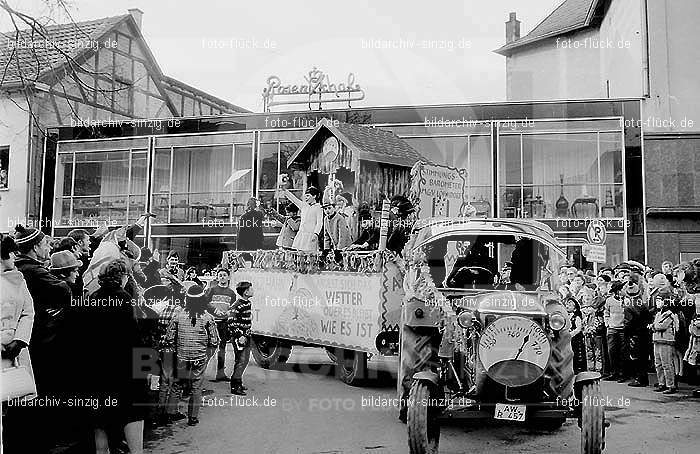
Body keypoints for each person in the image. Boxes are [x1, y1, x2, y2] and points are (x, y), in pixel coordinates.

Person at [83, 259, 147, 454]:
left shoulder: (92, 298)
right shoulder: (127, 300)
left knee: (100, 425)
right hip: (124, 372)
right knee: (133, 416)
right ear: (123, 277)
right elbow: (135, 339)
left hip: (97, 373)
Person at [12, 225, 71, 398]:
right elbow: (63, 289)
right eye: (45, 243)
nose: (49, 247)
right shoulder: (34, 271)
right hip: (40, 338)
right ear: (35, 247)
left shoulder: (20, 268)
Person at [164, 285, 219, 426]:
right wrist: (207, 355)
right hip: (199, 359)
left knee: (176, 385)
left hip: (181, 358)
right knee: (196, 388)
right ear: (203, 300)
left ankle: (170, 414)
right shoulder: (208, 318)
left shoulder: (178, 315)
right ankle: (192, 418)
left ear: (187, 299)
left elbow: (169, 338)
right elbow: (214, 341)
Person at [0, 234, 35, 452]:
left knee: (12, 412)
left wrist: (20, 340)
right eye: (10, 252)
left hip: (13, 353)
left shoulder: (17, 279)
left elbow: (28, 312)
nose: (15, 256)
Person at [205, 268, 237, 382]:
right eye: (220, 275)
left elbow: (233, 308)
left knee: (222, 349)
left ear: (228, 277)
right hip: (212, 323)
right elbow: (205, 303)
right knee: (209, 348)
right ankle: (199, 372)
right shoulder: (211, 290)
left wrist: (229, 316)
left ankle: (220, 373)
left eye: (224, 275)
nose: (222, 277)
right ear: (217, 277)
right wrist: (214, 311)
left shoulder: (232, 293)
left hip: (224, 323)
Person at [623, 273, 651, 387]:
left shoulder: (629, 307)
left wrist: (627, 334)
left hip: (634, 334)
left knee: (636, 357)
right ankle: (644, 378)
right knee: (643, 357)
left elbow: (628, 323)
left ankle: (639, 379)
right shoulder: (643, 305)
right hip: (644, 333)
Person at [651, 289, 679, 394]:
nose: (657, 303)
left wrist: (653, 326)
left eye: (660, 300)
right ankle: (661, 383)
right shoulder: (658, 314)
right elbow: (655, 325)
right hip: (657, 340)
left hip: (666, 341)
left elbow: (660, 326)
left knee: (667, 364)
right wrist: (654, 326)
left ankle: (671, 385)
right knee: (658, 364)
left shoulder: (669, 314)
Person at [281, 185, 323, 252]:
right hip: (301, 234)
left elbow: (319, 223)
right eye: (305, 196)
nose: (306, 198)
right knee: (298, 254)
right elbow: (294, 199)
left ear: (314, 196)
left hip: (311, 235)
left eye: (308, 196)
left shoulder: (318, 208)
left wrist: (316, 234)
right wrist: (285, 191)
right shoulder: (304, 206)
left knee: (310, 255)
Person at [229, 281, 253, 395]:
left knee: (245, 360)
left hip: (246, 336)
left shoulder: (248, 303)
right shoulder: (236, 305)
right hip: (240, 338)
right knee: (241, 361)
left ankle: (238, 381)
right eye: (250, 289)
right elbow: (231, 322)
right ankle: (235, 386)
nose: (252, 291)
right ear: (245, 292)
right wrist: (240, 336)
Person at [604, 280, 628, 382]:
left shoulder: (627, 300)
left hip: (623, 329)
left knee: (623, 352)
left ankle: (623, 374)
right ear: (617, 291)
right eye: (622, 289)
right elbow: (606, 312)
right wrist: (607, 323)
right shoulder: (609, 300)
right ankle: (614, 373)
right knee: (612, 352)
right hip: (612, 329)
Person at [564, 296, 587, 374]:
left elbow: (578, 328)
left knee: (576, 353)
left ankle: (578, 368)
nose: (567, 306)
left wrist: (570, 334)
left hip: (576, 339)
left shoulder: (576, 317)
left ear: (575, 308)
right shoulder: (565, 316)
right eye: (566, 304)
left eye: (570, 305)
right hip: (567, 338)